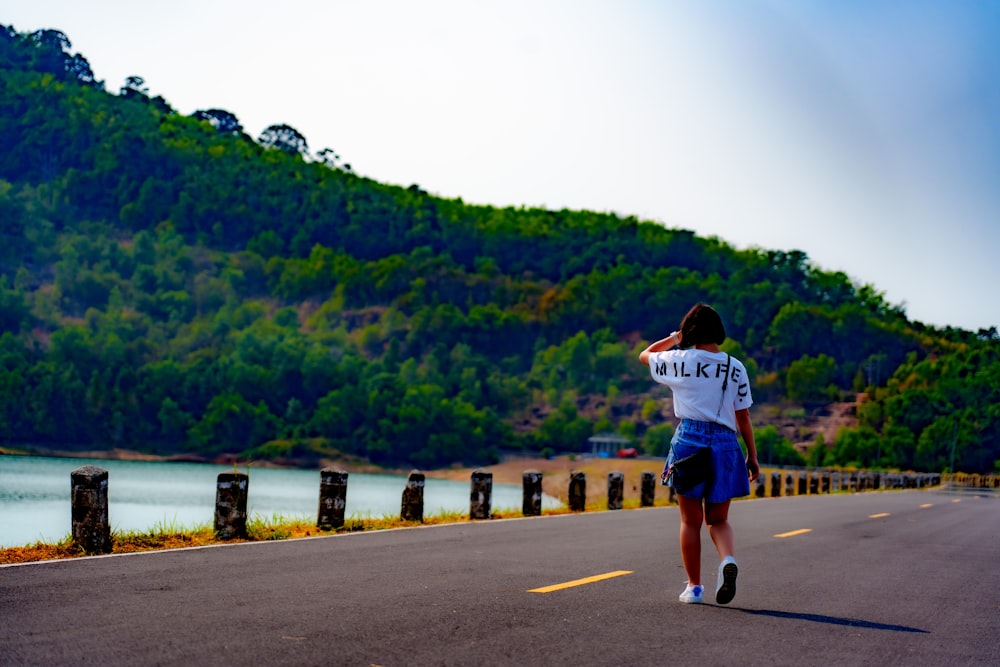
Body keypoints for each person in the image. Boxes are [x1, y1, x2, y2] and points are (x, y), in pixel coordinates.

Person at [638, 303, 760, 605]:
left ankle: (694, 587)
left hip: (689, 440)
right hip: (725, 442)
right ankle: (727, 559)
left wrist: (676, 338)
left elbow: (645, 355)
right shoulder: (736, 367)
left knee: (689, 521)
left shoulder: (680, 360)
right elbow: (742, 416)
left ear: (690, 331)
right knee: (717, 519)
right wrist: (752, 455)